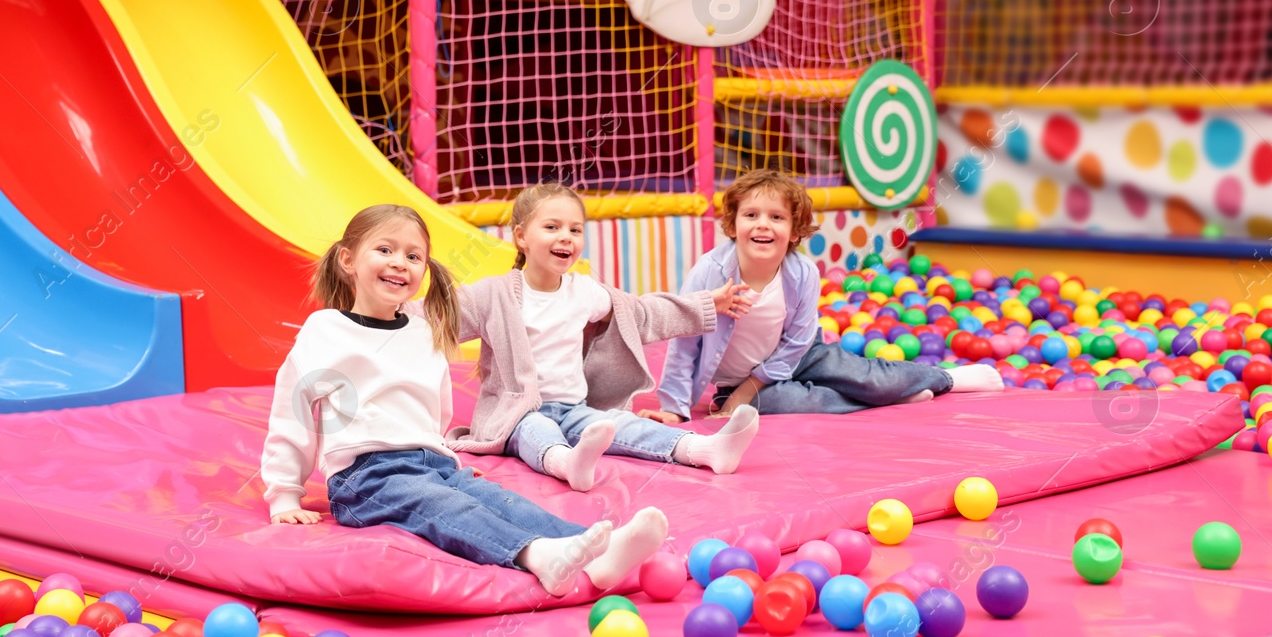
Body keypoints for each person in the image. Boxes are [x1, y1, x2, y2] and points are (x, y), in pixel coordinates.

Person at [262, 203, 667, 596]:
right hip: (366, 478)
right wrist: (284, 492)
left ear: (424, 269)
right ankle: (540, 555)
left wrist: (439, 453)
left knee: (500, 500)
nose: (400, 262)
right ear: (348, 260)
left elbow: (434, 407)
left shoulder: (422, 331)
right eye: (384, 250)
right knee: (445, 507)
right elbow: (293, 412)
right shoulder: (326, 329)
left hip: (431, 462)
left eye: (413, 255)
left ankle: (597, 550)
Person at [445, 183, 760, 492]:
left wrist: (706, 303)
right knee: (535, 429)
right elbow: (437, 318)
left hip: (573, 409)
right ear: (521, 236)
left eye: (575, 230)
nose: (565, 237)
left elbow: (641, 313)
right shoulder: (493, 294)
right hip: (516, 415)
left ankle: (705, 449)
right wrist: (396, 307)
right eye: (552, 227)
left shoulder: (583, 291)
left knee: (621, 424)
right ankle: (567, 463)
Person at [649, 169, 1003, 422]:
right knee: (793, 403)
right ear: (733, 224)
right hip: (736, 381)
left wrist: (748, 390)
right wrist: (674, 408)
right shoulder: (710, 271)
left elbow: (797, 340)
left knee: (871, 378)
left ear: (794, 232)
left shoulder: (801, 273)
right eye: (751, 215)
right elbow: (685, 342)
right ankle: (891, 399)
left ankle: (948, 379)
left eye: (776, 217)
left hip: (803, 355)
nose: (762, 224)